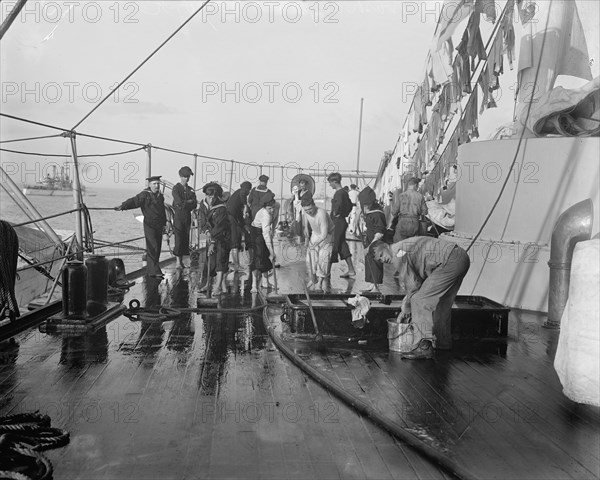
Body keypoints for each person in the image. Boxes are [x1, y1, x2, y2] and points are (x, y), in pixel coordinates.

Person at [370, 237, 470, 359]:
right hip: (460, 257)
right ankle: (442, 343)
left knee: (419, 300)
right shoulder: (401, 247)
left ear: (386, 246)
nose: (383, 259)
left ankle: (423, 346)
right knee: (442, 303)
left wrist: (406, 310)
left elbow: (413, 286)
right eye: (379, 259)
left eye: (381, 254)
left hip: (449, 261)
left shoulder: (398, 254)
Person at [115, 176, 167, 279]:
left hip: (159, 224)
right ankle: (154, 271)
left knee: (158, 247)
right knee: (153, 246)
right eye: (154, 184)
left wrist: (165, 224)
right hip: (149, 224)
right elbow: (134, 201)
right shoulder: (145, 195)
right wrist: (123, 206)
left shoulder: (160, 196)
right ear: (149, 185)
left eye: (158, 184)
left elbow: (162, 211)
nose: (157, 186)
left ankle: (152, 268)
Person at [388, 177, 428, 276]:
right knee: (412, 246)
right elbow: (425, 211)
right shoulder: (420, 196)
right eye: (417, 185)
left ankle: (398, 269)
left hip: (402, 222)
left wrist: (389, 224)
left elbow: (394, 212)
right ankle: (411, 270)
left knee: (399, 245)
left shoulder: (402, 196)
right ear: (415, 185)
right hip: (414, 222)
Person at [202, 182, 231, 296]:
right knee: (210, 261)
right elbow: (202, 220)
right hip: (211, 235)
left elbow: (219, 226)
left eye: (213, 197)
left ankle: (218, 287)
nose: (211, 199)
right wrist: (207, 231)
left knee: (220, 261)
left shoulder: (221, 208)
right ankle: (208, 284)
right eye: (209, 197)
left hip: (223, 237)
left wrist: (213, 242)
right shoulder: (203, 205)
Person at [301, 194, 334, 291]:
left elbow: (324, 235)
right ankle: (313, 279)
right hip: (315, 233)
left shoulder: (321, 213)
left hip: (328, 235)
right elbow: (306, 218)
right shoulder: (306, 212)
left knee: (323, 259)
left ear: (314, 205)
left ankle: (319, 283)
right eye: (306, 210)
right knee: (310, 259)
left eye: (310, 209)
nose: (308, 212)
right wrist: (306, 228)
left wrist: (314, 244)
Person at [327, 172, 356, 278]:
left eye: (330, 183)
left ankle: (327, 271)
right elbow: (349, 206)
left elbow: (337, 207)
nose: (330, 185)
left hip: (337, 222)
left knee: (332, 244)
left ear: (335, 181)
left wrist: (335, 213)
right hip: (342, 221)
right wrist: (343, 213)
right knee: (342, 245)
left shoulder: (338, 193)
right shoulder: (344, 192)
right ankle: (351, 270)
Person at [359, 186, 386, 293]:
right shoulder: (368, 210)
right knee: (369, 261)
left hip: (377, 240)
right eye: (364, 204)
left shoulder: (378, 213)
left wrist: (370, 246)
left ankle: (376, 286)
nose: (365, 206)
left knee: (376, 262)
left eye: (367, 204)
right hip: (369, 237)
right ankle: (371, 283)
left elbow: (380, 232)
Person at [248, 193, 277, 293]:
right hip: (256, 233)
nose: (272, 210)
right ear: (265, 207)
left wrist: (272, 231)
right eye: (270, 208)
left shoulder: (275, 207)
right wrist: (272, 252)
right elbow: (265, 235)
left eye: (273, 207)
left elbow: (275, 221)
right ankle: (254, 285)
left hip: (263, 231)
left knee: (265, 256)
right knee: (258, 257)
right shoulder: (265, 215)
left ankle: (265, 282)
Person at [172, 166, 197, 268]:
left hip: (187, 215)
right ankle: (178, 261)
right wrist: (188, 202)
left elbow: (194, 204)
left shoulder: (190, 190)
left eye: (188, 177)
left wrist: (187, 203)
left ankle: (181, 260)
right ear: (181, 176)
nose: (187, 179)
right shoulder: (176, 188)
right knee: (178, 238)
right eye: (185, 177)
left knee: (185, 238)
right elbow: (178, 202)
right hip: (178, 216)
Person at [226, 181, 252, 272]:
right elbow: (243, 193)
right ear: (247, 189)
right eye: (249, 190)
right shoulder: (241, 192)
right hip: (231, 218)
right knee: (235, 242)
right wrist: (245, 205)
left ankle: (236, 264)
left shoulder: (236, 196)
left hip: (232, 218)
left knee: (235, 241)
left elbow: (239, 215)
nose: (248, 192)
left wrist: (243, 225)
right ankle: (236, 265)